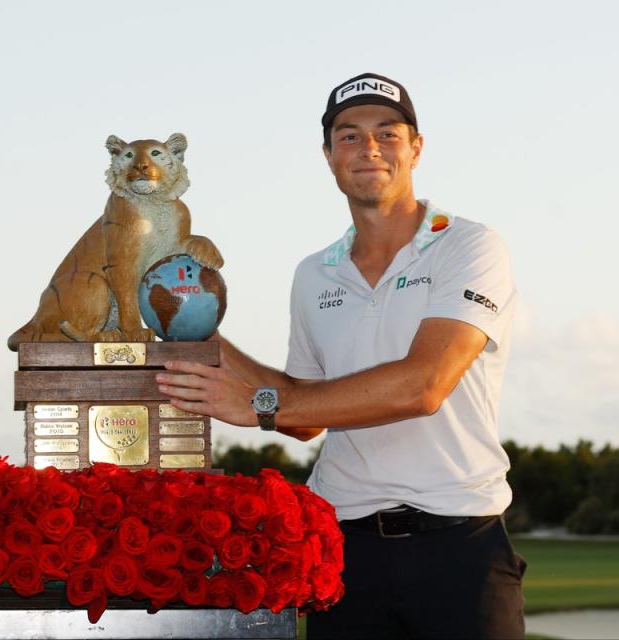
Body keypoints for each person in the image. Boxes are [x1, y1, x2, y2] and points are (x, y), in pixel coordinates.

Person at [156, 72, 526, 639]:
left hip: (461, 545)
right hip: (344, 548)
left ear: (416, 147)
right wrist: (197, 333)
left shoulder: (468, 244)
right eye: (349, 136)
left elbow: (422, 386)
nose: (369, 148)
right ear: (328, 155)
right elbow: (305, 415)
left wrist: (259, 406)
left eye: (387, 132)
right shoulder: (314, 273)